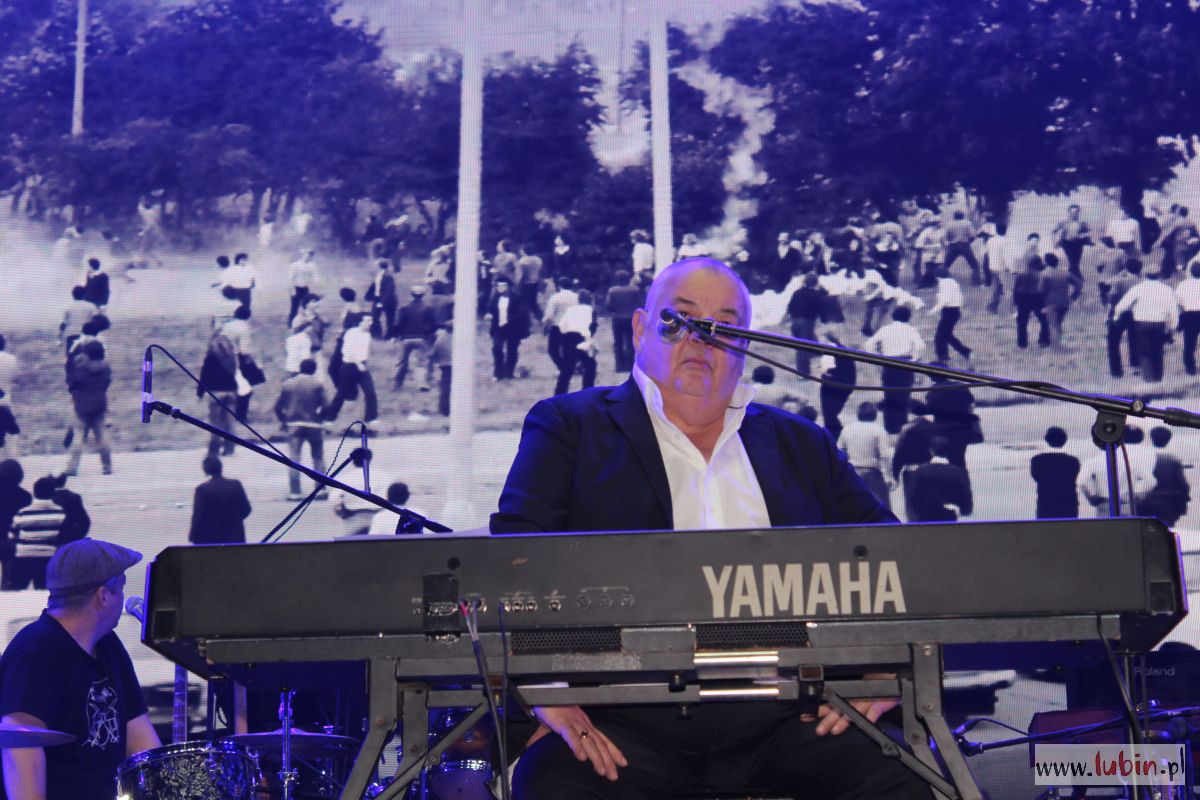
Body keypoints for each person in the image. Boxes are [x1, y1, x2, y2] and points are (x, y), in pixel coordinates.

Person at [491, 257, 927, 799]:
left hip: (792, 717)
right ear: (639, 328)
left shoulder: (801, 443)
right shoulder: (568, 427)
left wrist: (883, 673)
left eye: (724, 326)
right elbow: (513, 565)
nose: (701, 338)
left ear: (746, 345)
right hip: (623, 719)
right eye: (680, 320)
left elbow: (894, 560)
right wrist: (546, 692)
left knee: (900, 779)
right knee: (553, 785)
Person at [0, 539, 161, 800]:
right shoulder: (36, 652)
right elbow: (19, 748)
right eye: (121, 587)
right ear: (103, 596)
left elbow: (142, 744)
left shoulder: (108, 644)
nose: (123, 598)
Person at [863, 306, 924, 434]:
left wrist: (878, 357)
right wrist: (915, 359)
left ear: (893, 316)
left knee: (889, 396)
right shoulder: (910, 330)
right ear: (908, 317)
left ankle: (890, 428)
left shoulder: (885, 329)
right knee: (904, 396)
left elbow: (868, 344)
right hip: (905, 364)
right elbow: (920, 346)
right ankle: (902, 428)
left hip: (889, 364)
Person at [1113, 268, 1179, 382]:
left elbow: (1122, 305)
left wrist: (1116, 316)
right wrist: (1173, 327)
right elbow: (1173, 310)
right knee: (1157, 351)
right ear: (1159, 274)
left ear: (1144, 275)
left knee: (1144, 352)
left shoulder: (1138, 288)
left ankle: (1148, 378)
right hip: (1159, 323)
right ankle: (1157, 377)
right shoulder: (1167, 289)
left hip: (1142, 323)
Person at [275, 360, 328, 500]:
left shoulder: (287, 384)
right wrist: (321, 419)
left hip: (293, 425)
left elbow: (277, 407)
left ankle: (295, 491)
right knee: (318, 457)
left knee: (294, 458)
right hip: (314, 425)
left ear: (300, 368)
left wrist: (284, 420)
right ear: (314, 370)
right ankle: (320, 489)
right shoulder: (317, 384)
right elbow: (326, 405)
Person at [1079, 425, 1155, 516]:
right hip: (1126, 505)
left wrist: (1091, 498)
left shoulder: (1094, 460)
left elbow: (1081, 482)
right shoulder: (1130, 460)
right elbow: (1151, 482)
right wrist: (1137, 496)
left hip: (1104, 505)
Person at [65, 341, 112, 477]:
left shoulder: (80, 369)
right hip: (99, 404)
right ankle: (107, 466)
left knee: (78, 435)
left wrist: (75, 363)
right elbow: (106, 383)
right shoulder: (106, 368)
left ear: (87, 354)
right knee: (102, 435)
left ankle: (72, 468)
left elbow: (71, 385)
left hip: (82, 405)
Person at [837, 402, 892, 510]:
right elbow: (885, 455)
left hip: (852, 472)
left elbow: (839, 452)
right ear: (874, 414)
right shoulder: (879, 430)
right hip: (872, 471)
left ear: (858, 414)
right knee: (880, 509)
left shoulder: (847, 429)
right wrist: (889, 476)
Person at [905, 436, 973, 522]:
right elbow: (967, 506)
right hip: (950, 518)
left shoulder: (921, 471)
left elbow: (913, 499)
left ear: (931, 451)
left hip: (925, 519)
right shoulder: (958, 473)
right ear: (948, 452)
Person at [188, 456, 252, 544]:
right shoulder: (236, 485)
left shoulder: (202, 490)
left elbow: (198, 517)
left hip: (212, 540)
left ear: (206, 470)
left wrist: (193, 537)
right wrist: (233, 520)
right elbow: (247, 509)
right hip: (235, 538)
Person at [327, 314, 378, 422]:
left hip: (362, 366)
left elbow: (364, 352)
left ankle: (371, 418)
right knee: (342, 393)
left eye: (371, 321)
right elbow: (347, 351)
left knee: (370, 391)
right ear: (360, 322)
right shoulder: (351, 333)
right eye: (368, 321)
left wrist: (363, 363)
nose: (370, 323)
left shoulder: (367, 335)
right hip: (349, 366)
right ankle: (330, 418)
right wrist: (358, 363)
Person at [198, 329, 239, 457]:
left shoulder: (210, 359)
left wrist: (200, 392)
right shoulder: (231, 358)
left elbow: (204, 375)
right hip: (231, 392)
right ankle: (229, 449)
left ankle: (214, 450)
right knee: (229, 423)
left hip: (215, 393)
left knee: (215, 424)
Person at [1141, 426, 1190, 527]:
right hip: (1166, 503)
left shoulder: (1143, 457)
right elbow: (1182, 485)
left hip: (1144, 502)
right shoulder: (1171, 459)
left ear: (1151, 437)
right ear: (1169, 439)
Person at [1030, 426, 1081, 519]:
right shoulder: (1073, 461)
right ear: (1064, 440)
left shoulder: (1037, 460)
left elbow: (1036, 477)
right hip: (1069, 506)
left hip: (1046, 506)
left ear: (1046, 440)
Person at [393, 285, 437, 391]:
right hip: (422, 338)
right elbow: (433, 324)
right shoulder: (429, 309)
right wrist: (429, 336)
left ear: (412, 294)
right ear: (423, 295)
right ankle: (421, 384)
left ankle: (397, 384)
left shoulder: (404, 308)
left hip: (405, 338)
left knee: (401, 362)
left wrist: (396, 336)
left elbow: (398, 324)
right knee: (421, 362)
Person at [486, 277, 531, 381]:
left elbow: (523, 312)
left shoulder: (517, 297)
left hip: (513, 328)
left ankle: (509, 372)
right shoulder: (495, 297)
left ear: (508, 286)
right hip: (499, 328)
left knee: (512, 349)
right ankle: (498, 373)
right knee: (497, 348)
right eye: (498, 286)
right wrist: (489, 314)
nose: (499, 288)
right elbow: (491, 308)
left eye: (502, 286)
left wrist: (510, 320)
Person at [554, 290, 598, 396]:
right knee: (590, 365)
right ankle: (587, 390)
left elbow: (561, 326)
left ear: (578, 300)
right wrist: (589, 338)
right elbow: (593, 326)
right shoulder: (591, 310)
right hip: (582, 338)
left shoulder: (570, 309)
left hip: (568, 337)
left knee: (567, 367)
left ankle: (560, 392)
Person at [927, 267, 971, 362]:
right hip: (955, 311)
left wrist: (933, 311)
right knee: (947, 335)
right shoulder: (953, 282)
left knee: (939, 337)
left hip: (949, 312)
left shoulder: (943, 283)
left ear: (937, 276)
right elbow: (960, 297)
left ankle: (942, 357)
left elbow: (944, 300)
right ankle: (965, 351)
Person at [605, 271, 643, 373]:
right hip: (632, 318)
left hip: (617, 319)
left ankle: (619, 366)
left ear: (617, 279)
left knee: (618, 342)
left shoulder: (612, 290)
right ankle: (631, 365)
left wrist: (615, 310)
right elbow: (640, 304)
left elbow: (608, 305)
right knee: (631, 342)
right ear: (628, 279)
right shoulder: (635, 290)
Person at [1052, 203, 1091, 279]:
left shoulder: (1082, 224)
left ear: (1079, 213)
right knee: (1072, 261)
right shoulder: (1063, 223)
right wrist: (1055, 242)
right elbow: (1053, 231)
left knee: (1076, 262)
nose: (1074, 214)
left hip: (1078, 244)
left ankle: (1073, 277)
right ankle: (1075, 277)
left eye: (1076, 212)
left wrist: (1083, 236)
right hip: (1067, 244)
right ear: (1069, 212)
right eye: (1072, 212)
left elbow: (1089, 233)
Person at [1175, 263, 1200, 375]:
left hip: (1189, 315)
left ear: (1190, 272)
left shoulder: (1183, 284)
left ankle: (1190, 367)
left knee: (1189, 342)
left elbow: (1177, 301)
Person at [365, 258, 398, 340]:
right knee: (374, 317)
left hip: (388, 301)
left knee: (390, 319)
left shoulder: (388, 276)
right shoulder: (378, 275)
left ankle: (389, 336)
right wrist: (368, 295)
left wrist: (382, 302)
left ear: (379, 266)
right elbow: (374, 286)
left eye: (375, 266)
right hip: (378, 299)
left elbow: (389, 291)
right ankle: (376, 335)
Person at [288, 249, 320, 326]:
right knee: (294, 307)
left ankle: (307, 322)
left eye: (311, 256)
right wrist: (292, 290)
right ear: (303, 255)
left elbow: (315, 276)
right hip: (296, 288)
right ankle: (291, 324)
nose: (309, 257)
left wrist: (318, 284)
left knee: (307, 307)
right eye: (308, 255)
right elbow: (291, 279)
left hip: (305, 289)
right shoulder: (295, 265)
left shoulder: (312, 265)